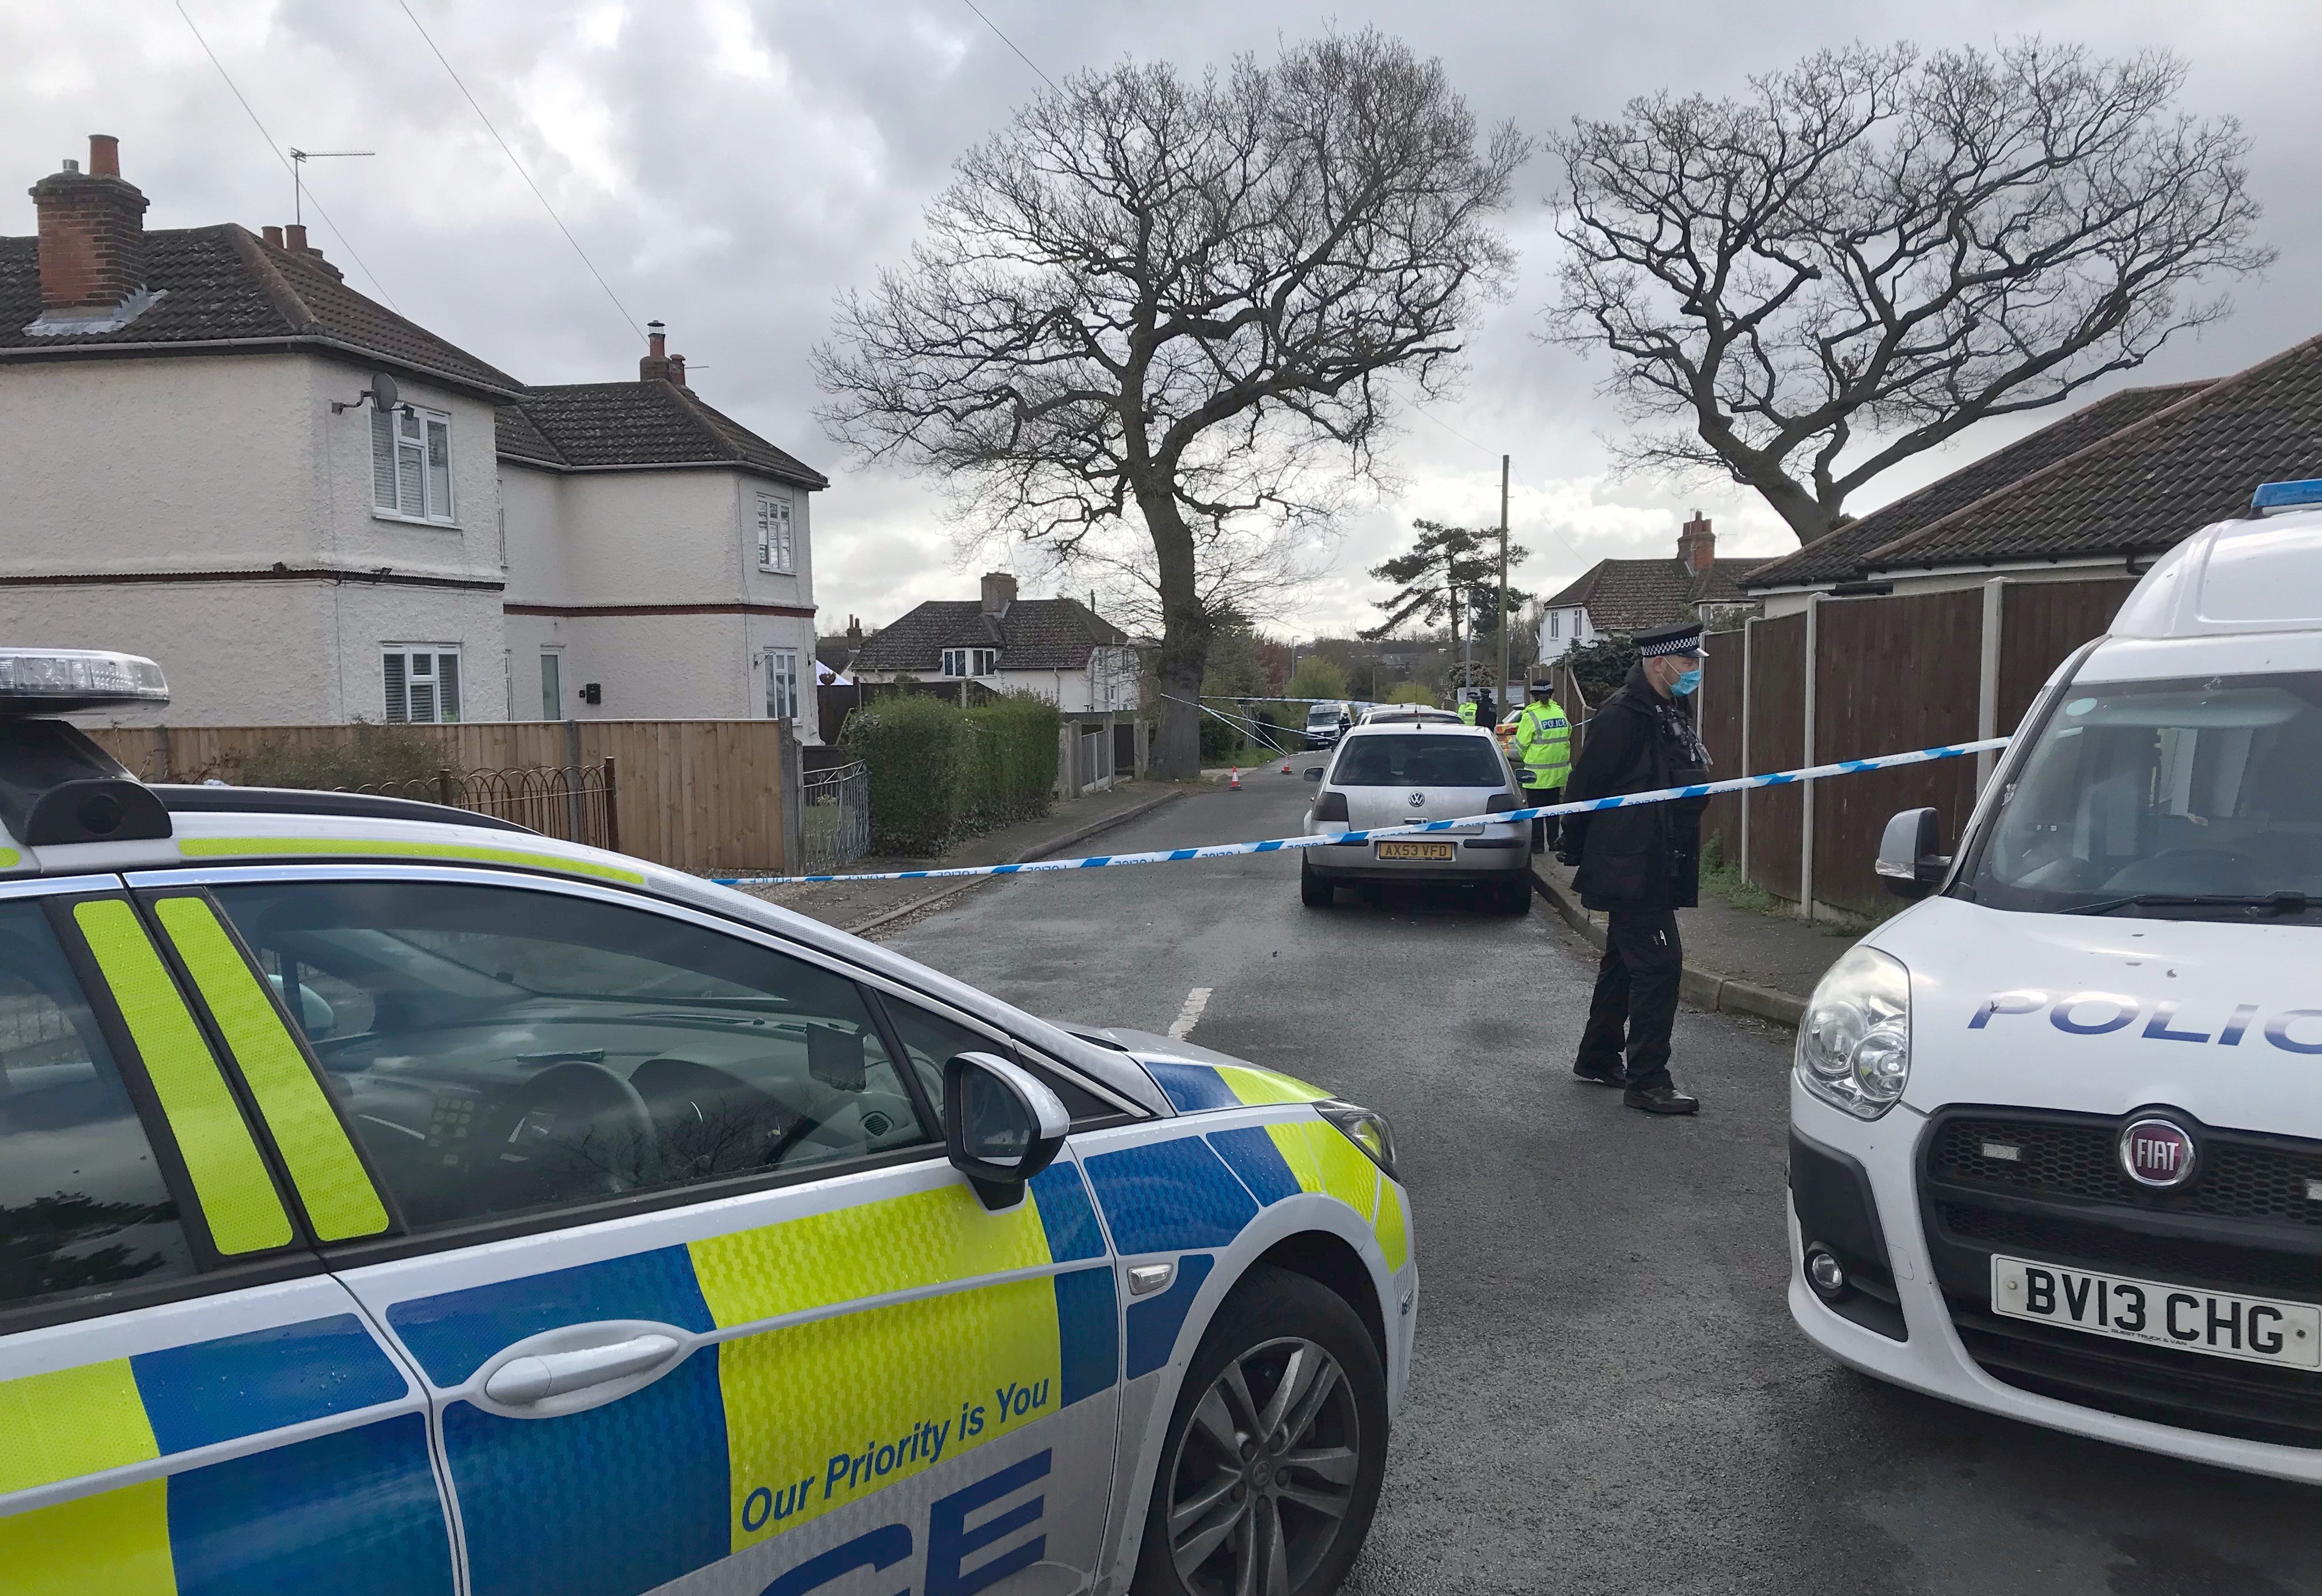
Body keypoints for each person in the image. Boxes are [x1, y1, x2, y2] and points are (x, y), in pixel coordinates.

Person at [1556, 621, 1710, 1115]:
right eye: (1688, 663)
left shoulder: (1670, 708)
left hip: (1659, 859)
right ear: (1659, 663)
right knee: (1660, 966)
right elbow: (1585, 786)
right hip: (1630, 865)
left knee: (1624, 963)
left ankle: (1599, 1057)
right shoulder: (1622, 716)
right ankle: (1648, 1080)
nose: (1695, 671)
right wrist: (1574, 847)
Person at [1511, 680, 1572, 852]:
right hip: (1558, 773)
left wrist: (1529, 759)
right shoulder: (1559, 711)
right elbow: (1568, 733)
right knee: (1553, 810)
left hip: (1536, 774)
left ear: (1534, 697)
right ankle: (1553, 842)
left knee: (1536, 812)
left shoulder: (1530, 715)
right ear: (1551, 694)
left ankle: (1537, 845)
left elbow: (1521, 745)